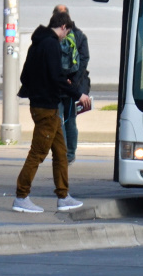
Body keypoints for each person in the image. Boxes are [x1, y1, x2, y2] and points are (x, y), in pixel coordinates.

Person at [12, 11, 90, 213]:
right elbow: (56, 76)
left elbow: (25, 76)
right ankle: (21, 196)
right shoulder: (52, 44)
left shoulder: (36, 44)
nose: (65, 37)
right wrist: (77, 94)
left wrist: (41, 88)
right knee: (38, 153)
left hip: (44, 106)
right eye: (67, 33)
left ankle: (63, 196)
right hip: (47, 107)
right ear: (63, 27)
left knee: (60, 152)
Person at [52, 4, 90, 164]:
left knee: (58, 121)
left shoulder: (52, 36)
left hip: (56, 85)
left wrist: (62, 79)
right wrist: (73, 82)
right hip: (74, 87)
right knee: (71, 120)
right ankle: (70, 154)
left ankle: (61, 154)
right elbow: (84, 60)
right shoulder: (79, 35)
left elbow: (50, 62)